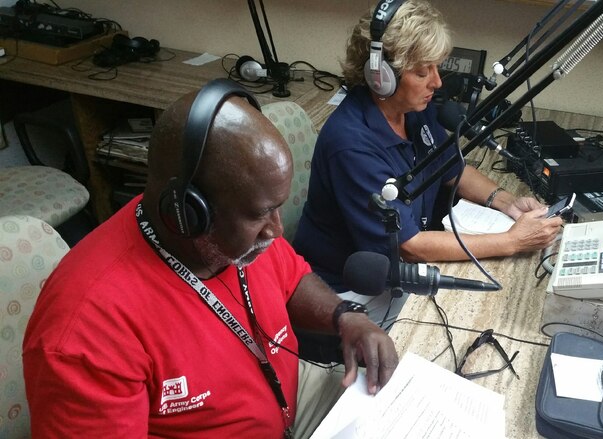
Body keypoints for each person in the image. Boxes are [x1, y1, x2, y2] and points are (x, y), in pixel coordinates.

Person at [22, 79, 398, 438]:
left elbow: (292, 279)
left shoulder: (245, 232)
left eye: (277, 209)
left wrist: (345, 316)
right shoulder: (84, 333)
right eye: (260, 214)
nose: (277, 230)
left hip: (293, 396)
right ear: (187, 210)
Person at [293, 0, 563, 326]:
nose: (437, 83)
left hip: (400, 271)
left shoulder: (414, 112)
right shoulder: (352, 145)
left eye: (436, 68)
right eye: (423, 72)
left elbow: (453, 170)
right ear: (380, 77)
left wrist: (508, 204)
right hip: (348, 292)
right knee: (471, 319)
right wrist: (512, 241)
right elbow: (410, 247)